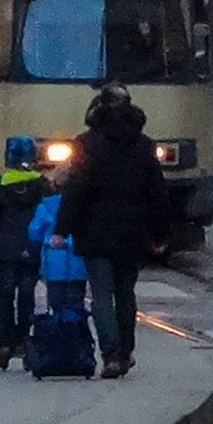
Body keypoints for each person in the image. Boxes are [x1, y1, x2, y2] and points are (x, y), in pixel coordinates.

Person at [54, 89, 174, 379]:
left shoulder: (87, 144)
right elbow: (157, 194)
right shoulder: (144, 145)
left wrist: (62, 229)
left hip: (95, 232)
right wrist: (160, 236)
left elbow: (77, 190)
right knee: (125, 292)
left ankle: (110, 356)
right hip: (133, 232)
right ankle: (125, 351)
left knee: (101, 295)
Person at [0, 147, 51, 371]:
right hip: (32, 247)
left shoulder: (2, 186)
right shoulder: (42, 186)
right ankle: (24, 340)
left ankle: (3, 343)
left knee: (5, 294)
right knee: (27, 293)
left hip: (6, 249)